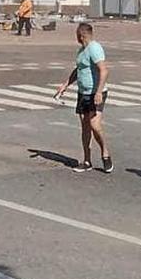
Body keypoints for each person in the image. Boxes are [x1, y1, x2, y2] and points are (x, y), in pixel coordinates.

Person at [54, 22, 112, 172]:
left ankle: (105, 153)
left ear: (81, 35)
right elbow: (79, 69)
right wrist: (65, 85)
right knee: (85, 127)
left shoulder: (94, 48)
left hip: (95, 93)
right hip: (83, 93)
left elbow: (104, 70)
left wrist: (99, 92)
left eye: (77, 35)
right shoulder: (82, 50)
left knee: (95, 125)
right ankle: (87, 161)